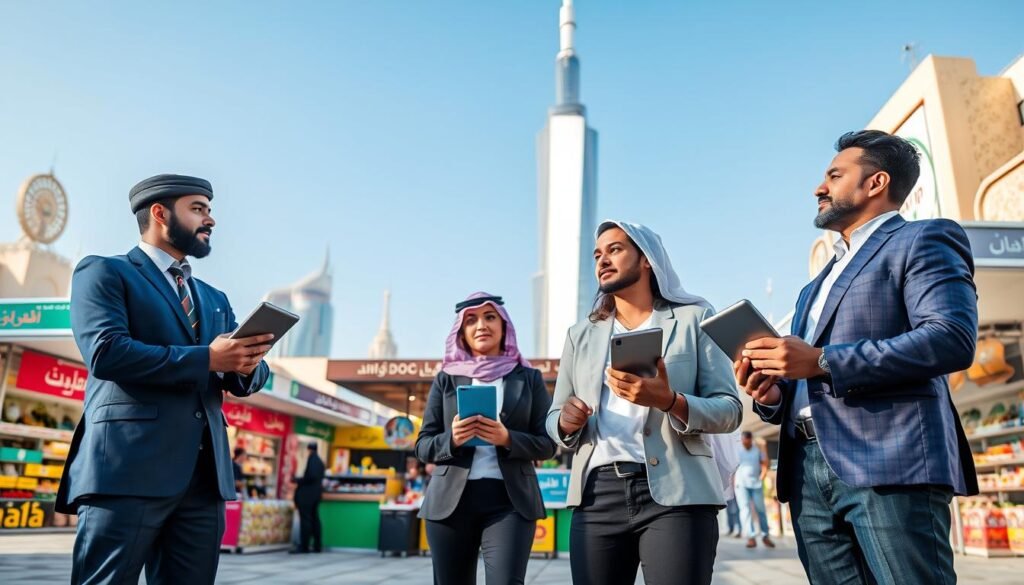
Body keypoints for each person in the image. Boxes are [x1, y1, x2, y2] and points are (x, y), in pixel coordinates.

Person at [736, 130, 979, 584]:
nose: (818, 188)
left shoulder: (923, 239)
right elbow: (803, 376)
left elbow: (950, 337)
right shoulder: (813, 286)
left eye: (833, 175)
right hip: (807, 472)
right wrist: (772, 391)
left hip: (890, 462)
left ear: (876, 183)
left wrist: (822, 361)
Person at [57, 174, 273, 584]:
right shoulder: (104, 272)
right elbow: (106, 352)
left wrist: (246, 363)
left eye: (209, 210)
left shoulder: (214, 298)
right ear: (159, 213)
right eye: (198, 209)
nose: (210, 219)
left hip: (204, 480)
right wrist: (208, 358)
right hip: (125, 471)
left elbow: (247, 375)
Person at [547, 221, 742, 585]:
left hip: (680, 494)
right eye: (597, 254)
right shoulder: (581, 335)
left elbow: (730, 410)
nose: (603, 259)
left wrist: (669, 401)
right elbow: (554, 415)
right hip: (597, 494)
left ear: (647, 259)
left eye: (615, 249)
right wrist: (566, 422)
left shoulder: (694, 319)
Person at [416, 292, 556, 585]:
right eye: (471, 320)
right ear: (461, 332)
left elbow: (548, 444)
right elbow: (423, 446)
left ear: (504, 326)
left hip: (510, 503)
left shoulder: (529, 378)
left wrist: (508, 438)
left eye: (490, 317)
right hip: (449, 505)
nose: (481, 325)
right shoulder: (447, 378)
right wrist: (451, 439)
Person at [733, 431, 774, 548]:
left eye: (747, 441)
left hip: (756, 484)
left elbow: (765, 463)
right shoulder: (737, 450)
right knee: (745, 510)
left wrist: (763, 475)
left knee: (761, 510)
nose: (745, 443)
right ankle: (751, 537)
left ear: (751, 440)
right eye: (743, 441)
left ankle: (765, 536)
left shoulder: (758, 450)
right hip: (741, 485)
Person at [292, 442, 326, 554]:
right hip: (316, 495)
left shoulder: (312, 460)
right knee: (315, 519)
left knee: (305, 520)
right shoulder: (320, 461)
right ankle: (317, 545)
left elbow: (311, 476)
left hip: (307, 495)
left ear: (309, 450)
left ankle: (304, 546)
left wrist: (298, 480)